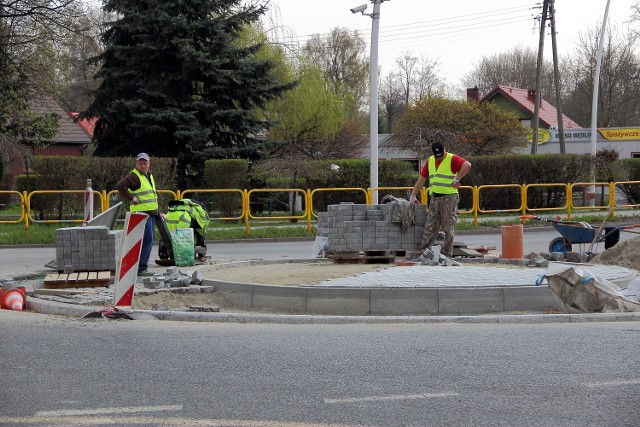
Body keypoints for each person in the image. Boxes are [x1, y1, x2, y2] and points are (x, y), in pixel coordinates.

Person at [409, 141, 471, 258]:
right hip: (435, 198)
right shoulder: (431, 161)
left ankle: (446, 255)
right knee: (430, 226)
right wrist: (413, 195)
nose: (439, 158)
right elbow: (421, 179)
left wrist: (457, 179)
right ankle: (424, 252)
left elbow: (467, 165)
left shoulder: (452, 159)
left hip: (449, 198)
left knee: (448, 227)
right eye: (437, 157)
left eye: (441, 156)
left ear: (444, 150)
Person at [115, 152, 159, 276]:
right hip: (141, 213)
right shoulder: (134, 175)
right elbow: (120, 185)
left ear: (149, 164)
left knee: (148, 240)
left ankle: (139, 266)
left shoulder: (148, 175)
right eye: (140, 163)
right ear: (136, 164)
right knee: (147, 240)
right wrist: (131, 198)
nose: (143, 165)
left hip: (149, 212)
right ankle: (141, 268)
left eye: (145, 163)